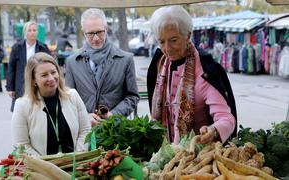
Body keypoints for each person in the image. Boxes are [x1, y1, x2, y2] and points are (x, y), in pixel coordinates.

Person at [147, 6, 237, 145]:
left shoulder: (205, 72)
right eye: (161, 41)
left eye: (174, 40)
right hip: (165, 154)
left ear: (188, 35)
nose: (167, 48)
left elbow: (226, 118)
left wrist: (213, 130)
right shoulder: (159, 65)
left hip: (196, 158)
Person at [65, 8, 139, 124]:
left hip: (114, 131)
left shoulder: (126, 60)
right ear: (83, 31)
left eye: (99, 32)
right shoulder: (72, 62)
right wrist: (84, 116)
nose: (96, 38)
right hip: (84, 132)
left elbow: (132, 96)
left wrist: (114, 115)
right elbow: (68, 99)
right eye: (90, 34)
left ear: (106, 28)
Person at [11, 52, 91, 156]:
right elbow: (21, 145)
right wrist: (46, 165)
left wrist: (77, 157)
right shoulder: (22, 105)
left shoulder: (73, 96)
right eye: (44, 75)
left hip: (75, 166)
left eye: (53, 72)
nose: (51, 78)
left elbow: (85, 131)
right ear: (33, 80)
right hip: (42, 169)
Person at [6, 21, 50, 112]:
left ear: (37, 32)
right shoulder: (16, 47)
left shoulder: (43, 48)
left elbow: (49, 67)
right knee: (21, 110)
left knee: (39, 109)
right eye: (29, 30)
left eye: (34, 30)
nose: (32, 32)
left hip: (38, 83)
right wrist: (10, 88)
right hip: (21, 83)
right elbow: (11, 68)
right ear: (25, 32)